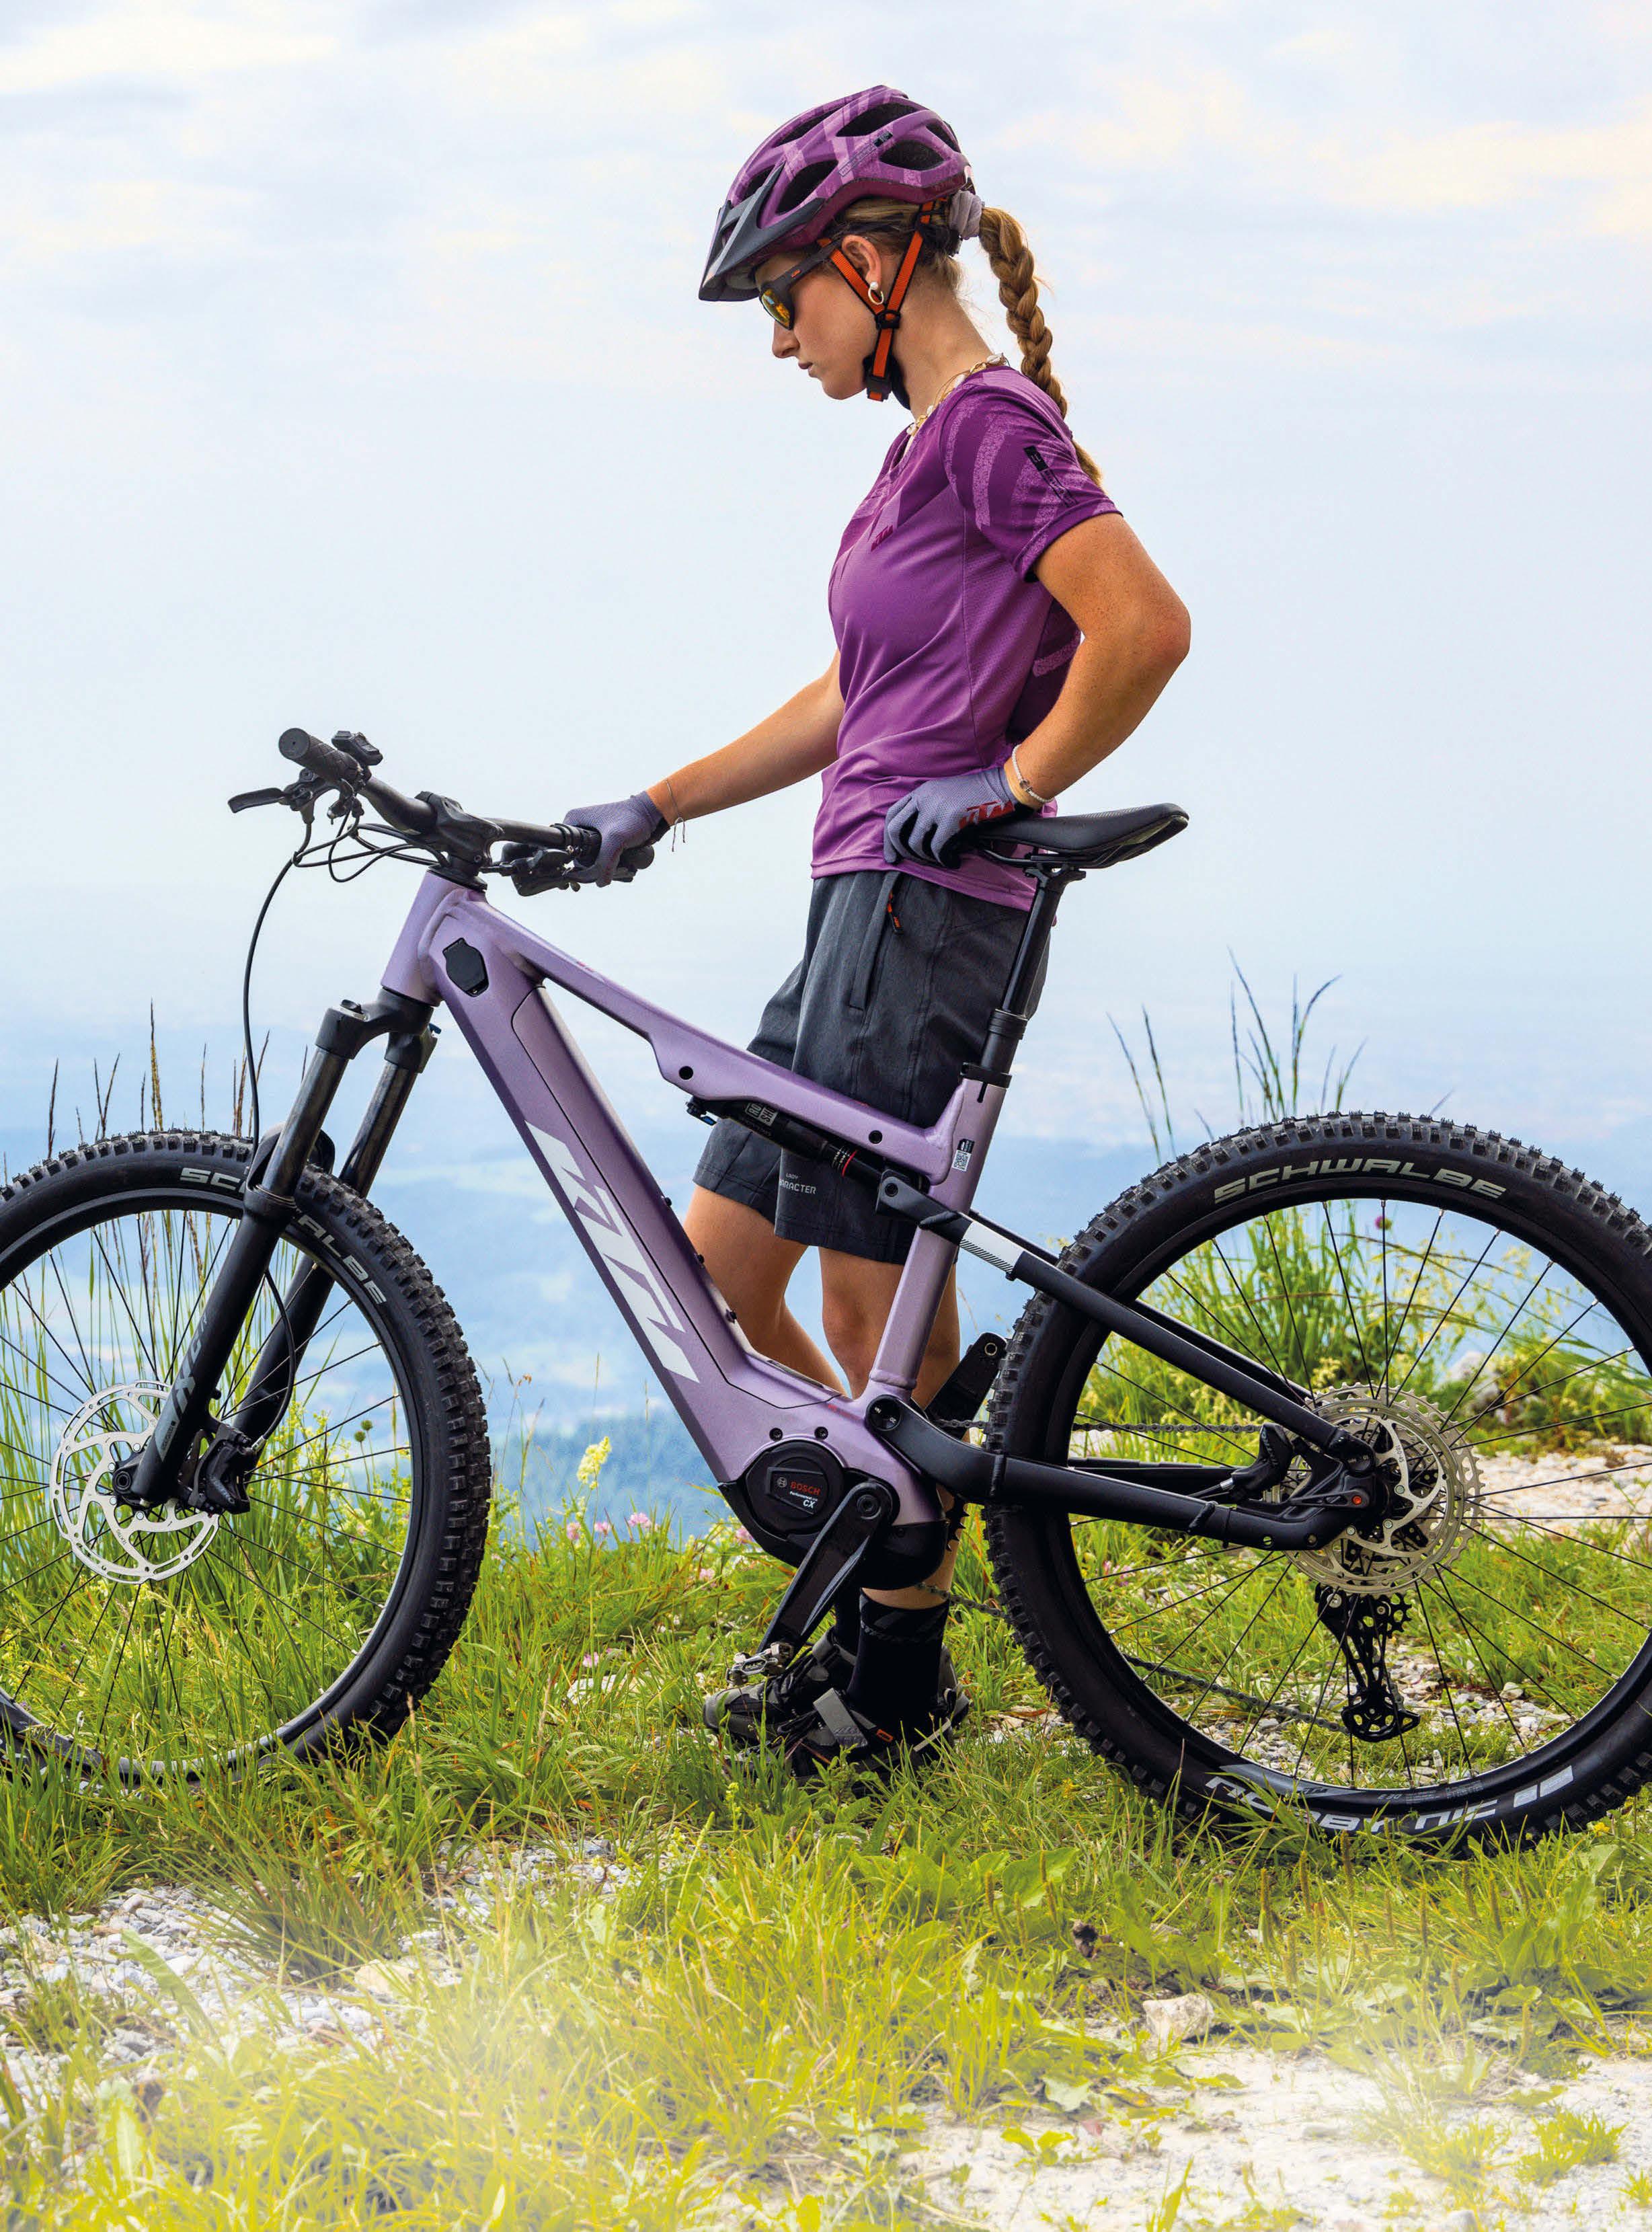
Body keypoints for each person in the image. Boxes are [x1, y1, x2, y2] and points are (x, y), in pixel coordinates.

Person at [559, 87, 1189, 1779]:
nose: (780, 340)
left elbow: (1141, 625)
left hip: (926, 917)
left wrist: (1012, 781)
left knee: (866, 1324)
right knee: (715, 1277)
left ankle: (894, 1674)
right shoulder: (921, 454)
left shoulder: (988, 425)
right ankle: (882, 1586)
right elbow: (854, 696)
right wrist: (657, 803)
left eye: (786, 299)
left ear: (871, 258)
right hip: (854, 908)